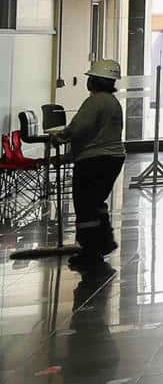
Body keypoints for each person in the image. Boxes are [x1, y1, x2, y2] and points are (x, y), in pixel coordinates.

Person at [50, 59, 127, 272]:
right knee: (95, 202)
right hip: (112, 158)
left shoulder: (95, 101)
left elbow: (80, 128)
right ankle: (104, 241)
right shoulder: (112, 102)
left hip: (94, 160)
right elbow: (95, 134)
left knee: (84, 205)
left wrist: (61, 137)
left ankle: (90, 251)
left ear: (94, 81)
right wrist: (66, 158)